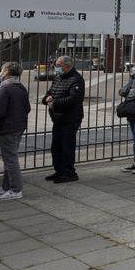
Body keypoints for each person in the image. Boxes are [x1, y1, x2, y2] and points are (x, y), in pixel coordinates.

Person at [0, 62, 30, 200]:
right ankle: (6, 187)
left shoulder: (5, 88)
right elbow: (27, 108)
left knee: (10, 159)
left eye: (3, 70)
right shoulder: (20, 87)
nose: (1, 72)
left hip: (8, 127)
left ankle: (16, 190)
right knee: (9, 158)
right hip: (19, 126)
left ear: (7, 72)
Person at [42, 55, 84, 183]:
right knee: (56, 146)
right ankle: (59, 170)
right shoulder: (58, 77)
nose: (56, 67)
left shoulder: (76, 79)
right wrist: (46, 99)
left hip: (70, 118)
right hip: (58, 118)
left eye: (59, 65)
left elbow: (74, 99)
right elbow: (50, 92)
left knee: (67, 146)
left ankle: (69, 173)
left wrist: (54, 102)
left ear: (67, 66)